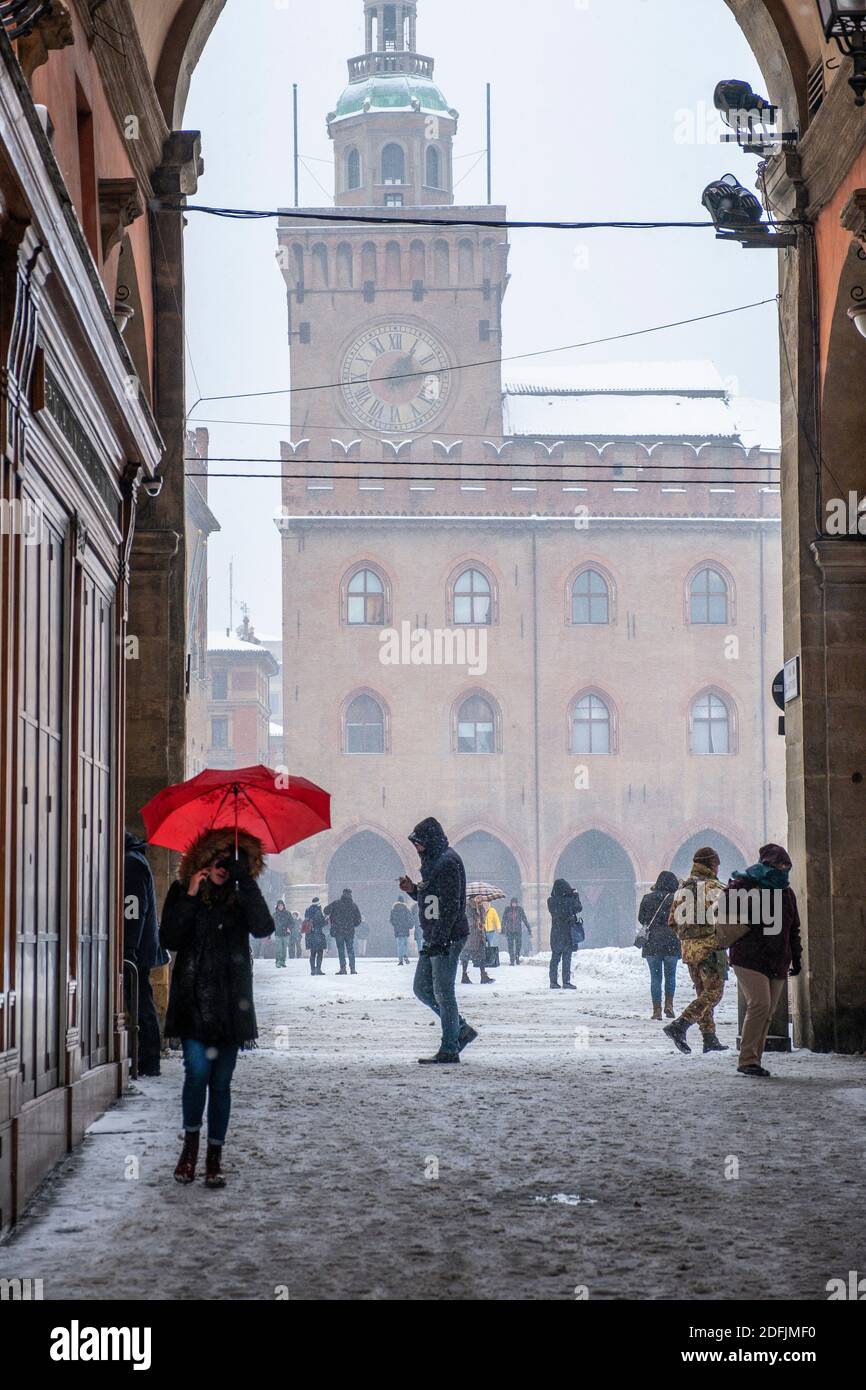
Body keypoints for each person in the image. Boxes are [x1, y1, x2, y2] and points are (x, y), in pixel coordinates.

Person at [159, 829, 274, 1188]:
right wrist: (192, 894)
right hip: (192, 1001)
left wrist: (247, 884)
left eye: (231, 861)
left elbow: (263, 928)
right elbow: (169, 939)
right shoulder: (182, 891)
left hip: (230, 1004)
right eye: (217, 860)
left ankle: (214, 1158)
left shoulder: (241, 898)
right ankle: (189, 1149)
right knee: (196, 1074)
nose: (223, 868)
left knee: (221, 1083)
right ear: (203, 861)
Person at [400, 817, 477, 1064]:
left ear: (430, 841)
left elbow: (450, 906)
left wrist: (441, 940)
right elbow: (430, 897)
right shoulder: (434, 862)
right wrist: (413, 889)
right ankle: (460, 1030)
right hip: (434, 936)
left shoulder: (448, 863)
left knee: (444, 992)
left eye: (419, 843)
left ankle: (449, 1048)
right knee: (422, 989)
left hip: (447, 937)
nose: (417, 848)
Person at [725, 843, 802, 1078]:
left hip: (777, 959)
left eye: (786, 865)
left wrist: (796, 958)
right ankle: (746, 1059)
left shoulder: (787, 893)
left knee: (766, 1011)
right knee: (759, 1004)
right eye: (779, 864)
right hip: (748, 957)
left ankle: (754, 1060)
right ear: (767, 864)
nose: (782, 869)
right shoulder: (748, 884)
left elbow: (793, 929)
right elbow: (728, 902)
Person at [663, 847, 728, 1056]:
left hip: (689, 951)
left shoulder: (683, 888)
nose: (718, 867)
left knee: (702, 993)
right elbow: (729, 921)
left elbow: (672, 922)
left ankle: (709, 1037)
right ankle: (681, 1025)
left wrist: (688, 939)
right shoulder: (716, 888)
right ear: (711, 864)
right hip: (710, 950)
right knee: (714, 993)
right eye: (717, 864)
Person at [123, 831, 167, 1077]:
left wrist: (129, 947)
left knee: (141, 1003)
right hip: (139, 948)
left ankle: (149, 1060)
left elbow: (133, 909)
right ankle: (148, 1059)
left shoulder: (131, 863)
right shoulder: (135, 860)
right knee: (140, 1002)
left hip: (135, 951)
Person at [637, 871, 681, 1020]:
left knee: (655, 978)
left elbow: (641, 918)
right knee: (670, 976)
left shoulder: (647, 898)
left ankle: (656, 1010)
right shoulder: (676, 899)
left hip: (652, 943)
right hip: (671, 942)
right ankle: (669, 1006)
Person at [547, 878, 582, 990]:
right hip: (567, 933)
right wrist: (575, 896)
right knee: (566, 958)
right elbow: (578, 908)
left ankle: (553, 982)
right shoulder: (569, 900)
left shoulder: (551, 901)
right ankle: (566, 981)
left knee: (555, 958)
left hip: (555, 933)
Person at [324, 887, 362, 975]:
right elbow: (358, 920)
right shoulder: (353, 905)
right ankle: (352, 969)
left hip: (339, 931)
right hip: (349, 931)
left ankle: (343, 968)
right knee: (350, 950)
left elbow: (326, 910)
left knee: (341, 950)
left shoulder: (336, 903)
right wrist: (352, 924)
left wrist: (335, 921)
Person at [460, 895, 496, 985]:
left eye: (481, 898)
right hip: (470, 935)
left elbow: (483, 919)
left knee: (481, 955)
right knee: (466, 955)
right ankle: (464, 975)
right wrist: (476, 923)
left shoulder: (480, 907)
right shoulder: (468, 907)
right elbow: (468, 920)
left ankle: (483, 976)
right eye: (478, 897)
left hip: (479, 935)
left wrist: (482, 919)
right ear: (473, 898)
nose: (480, 899)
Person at [502, 897, 530, 965]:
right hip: (509, 930)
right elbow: (504, 919)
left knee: (518, 945)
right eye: (513, 903)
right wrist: (503, 928)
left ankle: (517, 957)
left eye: (515, 903)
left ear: (517, 903)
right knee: (510, 946)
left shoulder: (520, 909)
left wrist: (528, 927)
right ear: (511, 903)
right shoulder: (507, 909)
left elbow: (524, 918)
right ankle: (512, 959)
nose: (514, 904)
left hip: (518, 930)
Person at [305, 897, 328, 976]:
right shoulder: (318, 911)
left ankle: (312, 970)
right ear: (318, 903)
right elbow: (321, 923)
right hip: (317, 934)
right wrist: (326, 920)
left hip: (310, 934)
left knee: (312, 953)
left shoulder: (307, 910)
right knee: (320, 952)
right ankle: (318, 969)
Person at [391, 896, 413, 964]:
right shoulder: (406, 909)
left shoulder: (394, 909)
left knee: (399, 945)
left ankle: (400, 960)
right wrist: (409, 926)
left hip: (397, 930)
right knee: (405, 944)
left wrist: (396, 925)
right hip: (405, 929)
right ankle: (405, 955)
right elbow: (410, 919)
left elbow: (391, 920)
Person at [273, 899, 291, 968]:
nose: (280, 907)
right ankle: (278, 962)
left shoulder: (287, 913)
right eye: (279, 906)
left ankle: (283, 961)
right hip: (278, 934)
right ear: (277, 906)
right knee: (279, 948)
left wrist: (289, 927)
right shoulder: (275, 914)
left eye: (281, 905)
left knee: (284, 949)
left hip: (286, 934)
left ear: (283, 906)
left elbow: (292, 922)